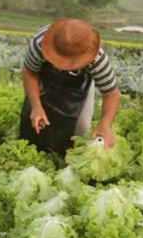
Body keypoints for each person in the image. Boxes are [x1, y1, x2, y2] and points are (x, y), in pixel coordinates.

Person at [19, 18, 121, 157]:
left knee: (82, 127)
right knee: (35, 119)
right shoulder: (40, 42)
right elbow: (29, 72)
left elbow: (111, 93)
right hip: (44, 79)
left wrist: (106, 124)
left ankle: (67, 157)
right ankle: (33, 151)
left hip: (79, 88)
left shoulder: (97, 58)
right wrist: (36, 106)